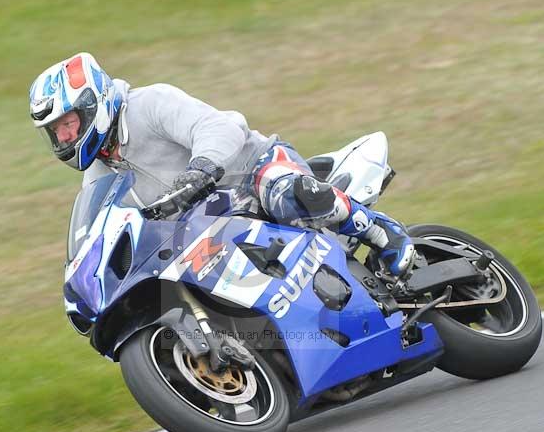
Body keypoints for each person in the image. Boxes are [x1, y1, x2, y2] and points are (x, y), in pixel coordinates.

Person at [29, 53, 415, 276]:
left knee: (285, 192)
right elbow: (102, 228)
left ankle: (381, 231)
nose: (64, 137)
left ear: (92, 104)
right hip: (207, 225)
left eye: (67, 123)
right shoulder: (101, 170)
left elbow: (222, 127)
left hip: (252, 171)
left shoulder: (149, 104)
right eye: (56, 131)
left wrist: (201, 168)